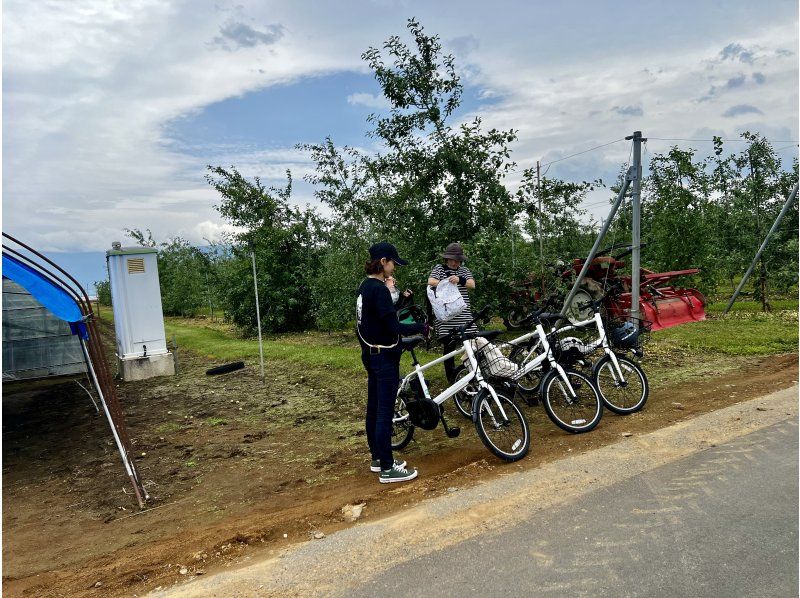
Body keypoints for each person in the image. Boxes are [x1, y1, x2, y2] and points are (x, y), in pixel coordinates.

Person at [357, 242, 426, 483]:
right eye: (393, 263)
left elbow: (378, 318)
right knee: (384, 411)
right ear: (383, 261)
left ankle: (378, 458)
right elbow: (394, 326)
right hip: (384, 357)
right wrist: (422, 327)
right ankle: (388, 468)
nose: (394, 268)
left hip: (370, 353)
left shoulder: (364, 287)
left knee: (374, 408)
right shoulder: (378, 289)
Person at [427, 242, 476, 383]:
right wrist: (447, 281)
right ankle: (451, 378)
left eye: (458, 260)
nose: (455, 263)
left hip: (464, 314)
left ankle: (473, 371)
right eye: (453, 259)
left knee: (473, 343)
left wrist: (460, 280)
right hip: (447, 316)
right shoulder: (439, 269)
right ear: (447, 259)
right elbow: (431, 281)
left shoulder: (464, 271)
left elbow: (472, 284)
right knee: (449, 347)